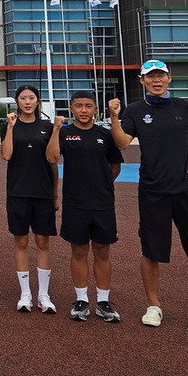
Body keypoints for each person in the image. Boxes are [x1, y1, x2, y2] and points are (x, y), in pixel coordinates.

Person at [109, 59, 188, 331]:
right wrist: (114, 117)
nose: (156, 80)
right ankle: (154, 306)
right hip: (152, 191)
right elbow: (122, 143)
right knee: (151, 252)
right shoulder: (135, 111)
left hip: (185, 190)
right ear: (142, 81)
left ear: (169, 78)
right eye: (151, 76)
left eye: (161, 75)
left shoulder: (186, 108)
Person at [58, 91, 123, 323]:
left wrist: (100, 184)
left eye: (88, 106)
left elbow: (115, 166)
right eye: (78, 106)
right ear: (71, 108)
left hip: (102, 202)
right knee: (78, 251)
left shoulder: (105, 135)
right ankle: (82, 299)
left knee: (103, 251)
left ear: (96, 109)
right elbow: (52, 158)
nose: (83, 110)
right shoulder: (64, 134)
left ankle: (103, 301)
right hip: (75, 203)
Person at [1, 84, 59, 314]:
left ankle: (44, 294)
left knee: (43, 243)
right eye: (23, 98)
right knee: (21, 242)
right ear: (17, 101)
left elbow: (53, 163)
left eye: (31, 98)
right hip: (17, 193)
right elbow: (6, 155)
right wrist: (9, 128)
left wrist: (55, 195)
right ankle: (25, 293)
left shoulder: (47, 126)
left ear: (37, 101)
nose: (27, 101)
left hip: (43, 194)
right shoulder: (10, 126)